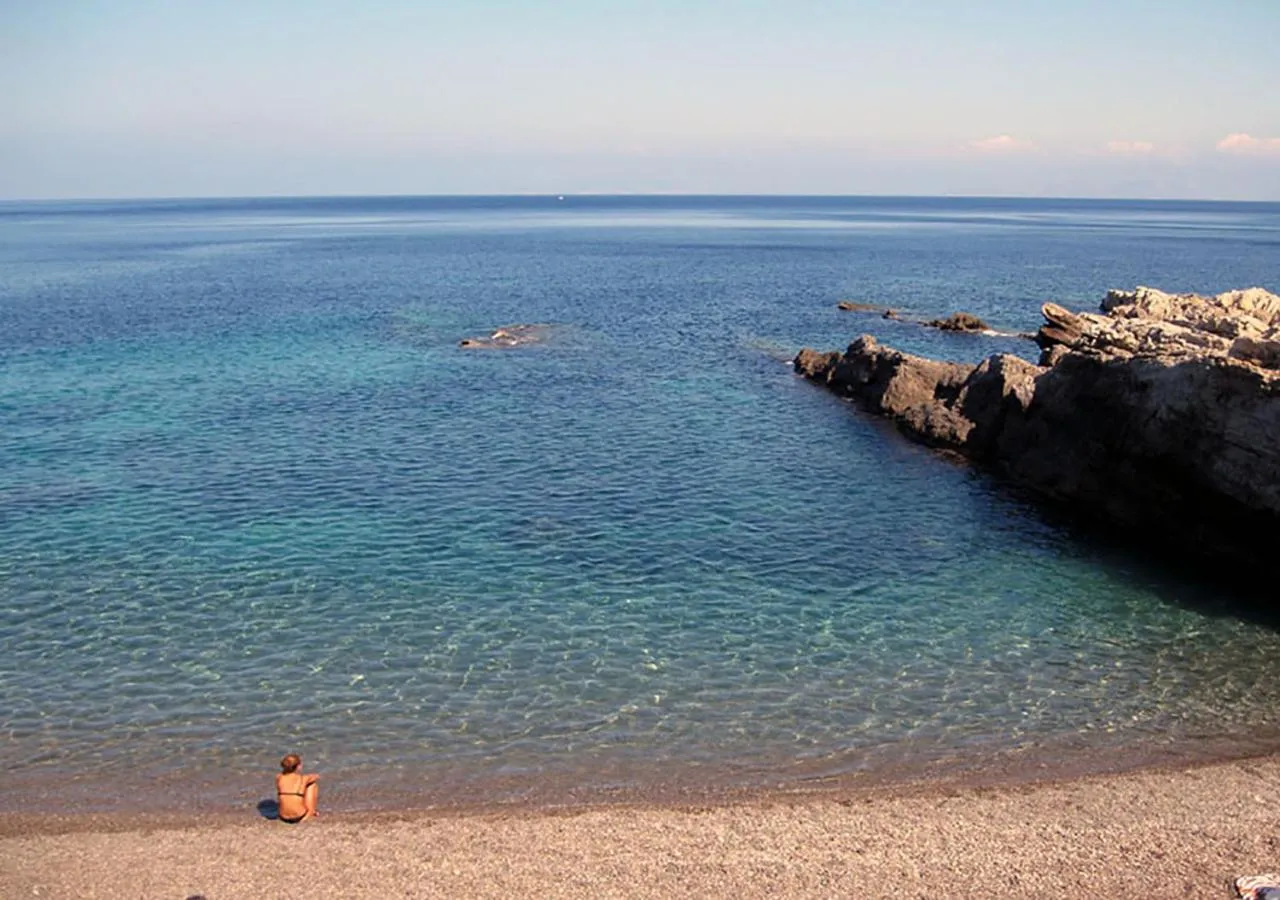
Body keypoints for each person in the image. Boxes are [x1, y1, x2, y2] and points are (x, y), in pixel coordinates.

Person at [275, 753, 319, 823]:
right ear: (298, 766)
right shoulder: (303, 778)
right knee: (312, 785)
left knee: (289, 792)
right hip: (300, 816)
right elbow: (316, 777)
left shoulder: (278, 778)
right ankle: (311, 811)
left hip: (283, 817)